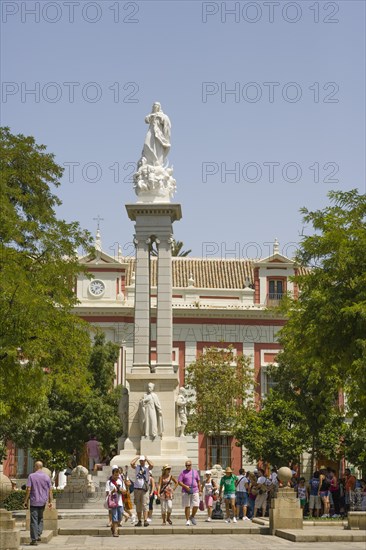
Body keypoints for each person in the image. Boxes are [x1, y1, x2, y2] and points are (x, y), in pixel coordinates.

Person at [23, 461, 53, 546]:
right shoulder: (46, 477)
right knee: (40, 518)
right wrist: (50, 502)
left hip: (34, 501)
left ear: (36, 466)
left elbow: (28, 489)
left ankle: (34, 539)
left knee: (34, 521)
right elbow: (50, 490)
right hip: (43, 501)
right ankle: (38, 534)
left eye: (34, 466)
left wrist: (25, 501)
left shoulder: (31, 476)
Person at [142, 102, 171, 166]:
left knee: (158, 147)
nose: (155, 107)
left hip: (158, 134)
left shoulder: (162, 115)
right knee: (147, 143)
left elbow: (167, 124)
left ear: (159, 107)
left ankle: (157, 162)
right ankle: (148, 161)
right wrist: (151, 116)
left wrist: (160, 118)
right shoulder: (151, 115)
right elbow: (146, 120)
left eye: (156, 106)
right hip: (151, 131)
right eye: (154, 106)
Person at [130, 455, 153, 527]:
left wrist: (147, 459)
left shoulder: (147, 468)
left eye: (143, 460)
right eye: (141, 460)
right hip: (137, 488)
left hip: (144, 489)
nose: (142, 462)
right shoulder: (137, 467)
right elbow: (131, 463)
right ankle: (139, 520)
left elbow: (152, 465)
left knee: (145, 505)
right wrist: (137, 457)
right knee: (138, 505)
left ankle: (145, 520)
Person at [178, 460, 201, 526]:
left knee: (196, 505)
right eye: (186, 465)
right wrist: (185, 486)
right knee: (187, 506)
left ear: (191, 465)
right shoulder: (183, 472)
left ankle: (192, 516)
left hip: (195, 489)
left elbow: (198, 481)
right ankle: (187, 520)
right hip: (186, 491)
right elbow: (179, 482)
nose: (187, 466)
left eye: (189, 465)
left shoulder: (195, 472)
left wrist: (200, 490)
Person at [105, 466, 126, 537]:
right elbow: (107, 493)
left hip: (120, 502)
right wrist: (113, 491)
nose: (117, 477)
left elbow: (125, 491)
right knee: (115, 517)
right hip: (113, 502)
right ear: (112, 474)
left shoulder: (121, 481)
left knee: (120, 517)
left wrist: (121, 490)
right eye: (115, 475)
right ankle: (116, 532)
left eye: (118, 475)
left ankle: (113, 527)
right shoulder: (109, 482)